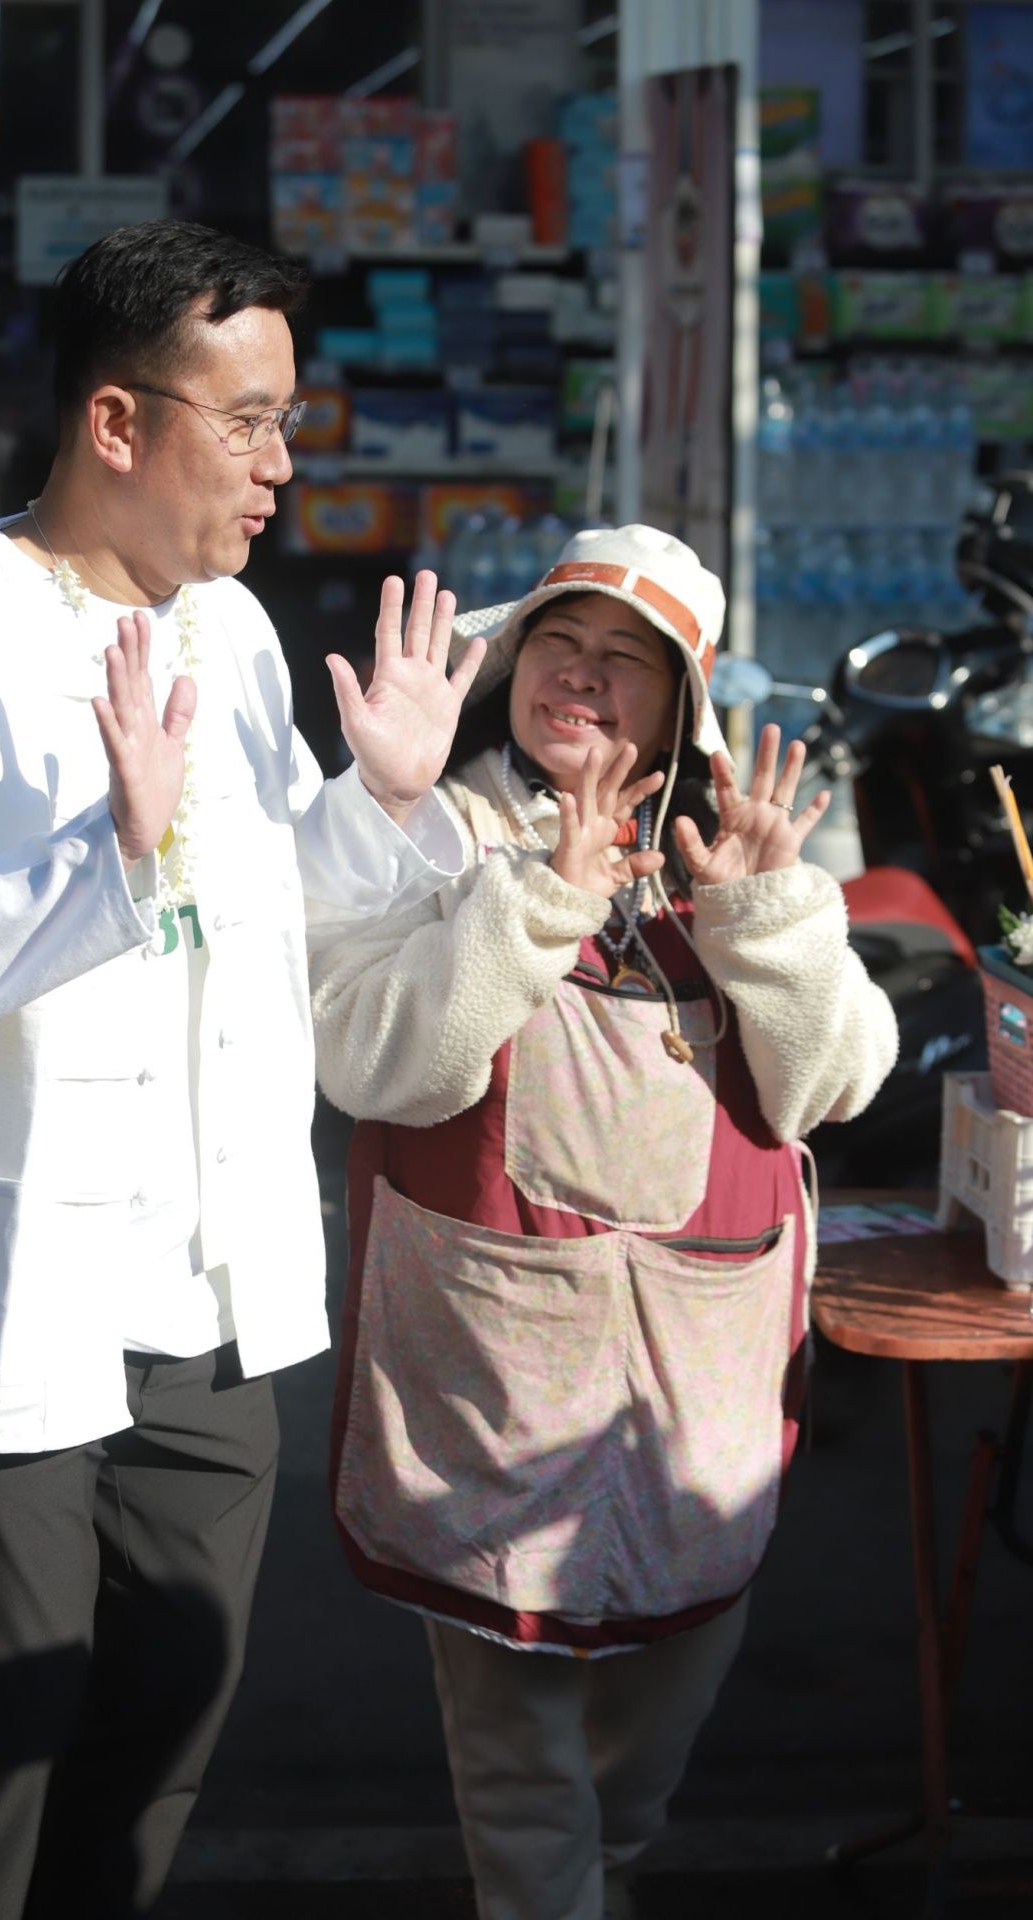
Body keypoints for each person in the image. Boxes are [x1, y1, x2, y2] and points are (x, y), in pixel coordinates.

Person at [0, 218, 484, 1920]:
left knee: (164, 1724)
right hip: (2, 1286)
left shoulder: (232, 636)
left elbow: (270, 912)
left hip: (202, 1291)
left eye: (286, 423)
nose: (278, 468)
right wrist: (104, 857)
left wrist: (384, 801)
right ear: (117, 421)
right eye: (246, 422)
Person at [311, 525, 898, 1920]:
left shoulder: (738, 849)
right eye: (558, 644)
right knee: (520, 1759)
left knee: (660, 1718)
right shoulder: (446, 832)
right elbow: (375, 1064)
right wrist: (540, 904)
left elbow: (833, 1085)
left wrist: (768, 917)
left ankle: (607, 1877)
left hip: (700, 1379)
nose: (578, 674)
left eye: (625, 659)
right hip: (495, 1373)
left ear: (684, 704)